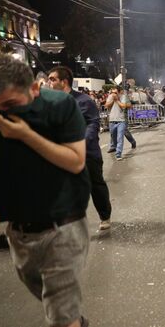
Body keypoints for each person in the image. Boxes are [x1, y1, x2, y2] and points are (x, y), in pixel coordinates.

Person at [0, 53, 91, 327]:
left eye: (11, 104)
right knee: (55, 305)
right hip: (17, 231)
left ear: (35, 89)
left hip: (64, 225)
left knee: (60, 316)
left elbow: (76, 161)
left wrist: (26, 135)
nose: (2, 112)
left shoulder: (61, 105)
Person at [48, 66, 112, 230]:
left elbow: (92, 123)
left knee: (96, 186)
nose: (49, 82)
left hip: (87, 154)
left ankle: (105, 216)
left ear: (64, 82)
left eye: (53, 79)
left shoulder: (83, 100)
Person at [105, 85, 136, 161]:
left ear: (119, 92)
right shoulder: (110, 97)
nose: (113, 94)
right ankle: (114, 147)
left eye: (115, 92)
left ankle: (118, 153)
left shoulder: (123, 97)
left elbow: (124, 106)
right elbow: (106, 105)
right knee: (113, 137)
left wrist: (117, 100)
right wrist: (113, 100)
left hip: (121, 120)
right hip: (112, 120)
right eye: (112, 92)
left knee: (120, 137)